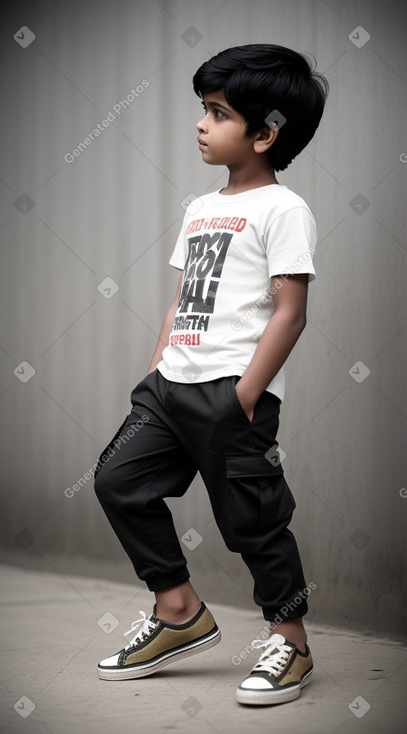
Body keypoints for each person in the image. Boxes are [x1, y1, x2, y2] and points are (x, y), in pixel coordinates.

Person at [94, 43, 328, 706]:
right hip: (169, 388)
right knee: (117, 481)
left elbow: (289, 312)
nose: (201, 124)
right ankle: (178, 610)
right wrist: (156, 368)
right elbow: (182, 294)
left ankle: (291, 642)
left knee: (253, 521)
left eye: (217, 113)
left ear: (264, 133)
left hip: (230, 393)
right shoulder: (200, 207)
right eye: (203, 109)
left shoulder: (284, 211)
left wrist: (243, 397)